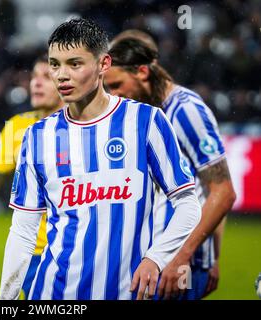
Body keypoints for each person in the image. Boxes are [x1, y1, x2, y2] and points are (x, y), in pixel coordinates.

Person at [0, 18, 201, 300]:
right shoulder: (37, 136)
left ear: (104, 64)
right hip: (52, 294)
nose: (61, 75)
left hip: (126, 292)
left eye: (75, 63)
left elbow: (188, 205)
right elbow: (23, 230)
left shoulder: (146, 122)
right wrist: (4, 301)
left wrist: (156, 257)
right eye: (55, 64)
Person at [105, 33, 236, 299]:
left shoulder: (186, 111)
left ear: (142, 72)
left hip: (175, 263)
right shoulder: (145, 113)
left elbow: (222, 191)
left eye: (118, 85)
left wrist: (184, 257)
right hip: (152, 260)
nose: (114, 95)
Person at [0, 54, 64, 299]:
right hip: (36, 253)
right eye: (34, 77)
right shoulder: (18, 127)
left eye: (46, 77)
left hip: (79, 249)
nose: (35, 83)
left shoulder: (87, 127)